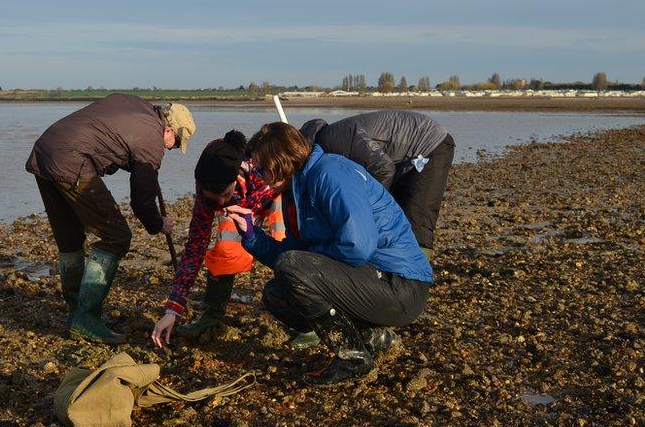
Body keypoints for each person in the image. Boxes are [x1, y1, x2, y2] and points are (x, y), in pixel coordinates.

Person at [227, 122, 433, 386]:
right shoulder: (298, 189)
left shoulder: (331, 174)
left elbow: (358, 246)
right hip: (373, 280)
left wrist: (312, 255)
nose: (259, 175)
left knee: (292, 267)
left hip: (401, 285)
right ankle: (372, 338)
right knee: (277, 293)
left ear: (279, 162)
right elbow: (296, 258)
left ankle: (353, 358)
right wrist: (253, 238)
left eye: (261, 168)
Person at [26, 93, 195, 344]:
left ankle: (76, 312)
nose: (170, 148)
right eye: (175, 141)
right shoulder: (151, 141)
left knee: (70, 236)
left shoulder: (139, 107)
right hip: (72, 158)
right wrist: (158, 223)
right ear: (168, 128)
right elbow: (141, 202)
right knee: (117, 237)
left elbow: (113, 140)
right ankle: (86, 317)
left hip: (45, 150)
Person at [150, 130, 287, 348]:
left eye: (225, 194)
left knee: (287, 251)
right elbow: (195, 247)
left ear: (235, 178)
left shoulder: (259, 166)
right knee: (225, 251)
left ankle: (304, 321)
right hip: (243, 205)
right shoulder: (207, 189)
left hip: (280, 193)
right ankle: (212, 317)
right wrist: (172, 308)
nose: (221, 201)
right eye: (215, 198)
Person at [300, 110, 454, 259]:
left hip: (431, 144)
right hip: (405, 155)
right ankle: (395, 261)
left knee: (418, 216)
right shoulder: (330, 139)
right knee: (397, 213)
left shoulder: (332, 140)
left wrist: (369, 207)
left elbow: (384, 169)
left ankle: (419, 271)